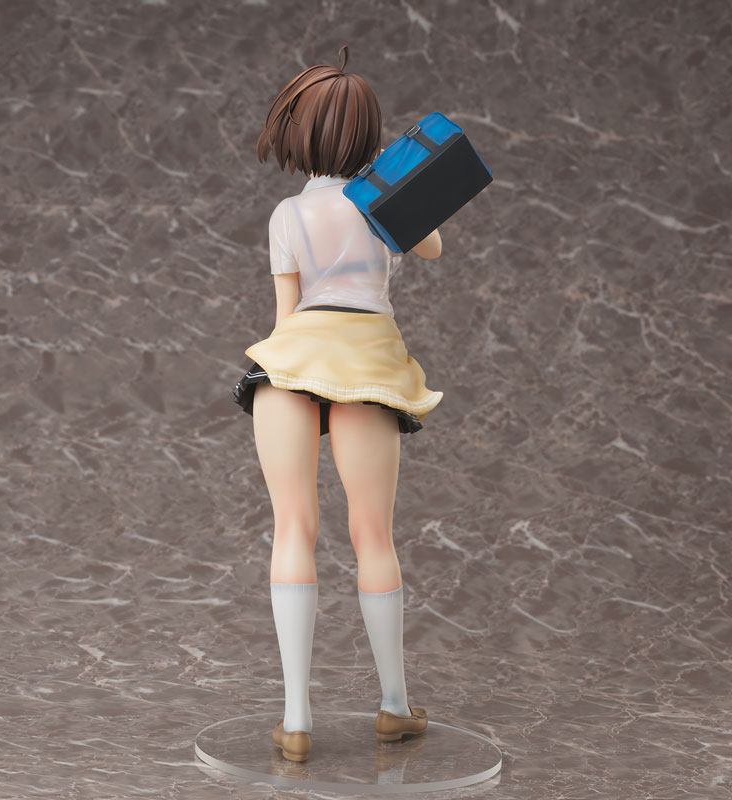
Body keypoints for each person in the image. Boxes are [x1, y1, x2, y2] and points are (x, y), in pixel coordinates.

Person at [231, 44, 443, 762]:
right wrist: (393, 178)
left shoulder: (288, 213)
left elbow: (284, 317)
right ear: (370, 135)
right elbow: (433, 245)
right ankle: (393, 706)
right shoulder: (383, 203)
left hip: (291, 363)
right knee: (372, 535)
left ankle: (296, 719)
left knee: (293, 528)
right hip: (368, 366)